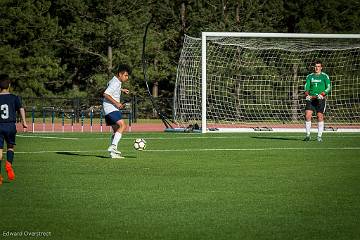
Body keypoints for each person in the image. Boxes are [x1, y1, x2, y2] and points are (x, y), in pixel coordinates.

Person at [0, 74, 28, 185]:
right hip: (11, 126)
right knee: (10, 147)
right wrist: (24, 122)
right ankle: (9, 163)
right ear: (9, 85)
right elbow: (21, 109)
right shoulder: (14, 98)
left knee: (0, 151)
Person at [103, 64, 131, 158]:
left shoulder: (115, 81)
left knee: (116, 131)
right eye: (126, 75)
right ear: (120, 74)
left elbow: (110, 86)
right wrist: (116, 103)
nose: (127, 78)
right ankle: (113, 147)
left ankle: (113, 154)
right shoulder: (115, 82)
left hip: (108, 108)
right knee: (123, 125)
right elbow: (106, 94)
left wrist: (122, 90)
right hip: (111, 108)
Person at [303, 60, 331, 142]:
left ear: (321, 67)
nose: (317, 68)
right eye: (315, 66)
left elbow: (328, 88)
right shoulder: (309, 76)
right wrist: (307, 94)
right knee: (307, 115)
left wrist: (322, 94)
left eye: (318, 66)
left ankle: (319, 136)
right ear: (314, 67)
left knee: (320, 116)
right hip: (311, 98)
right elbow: (306, 87)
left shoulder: (325, 76)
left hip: (320, 99)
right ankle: (308, 135)